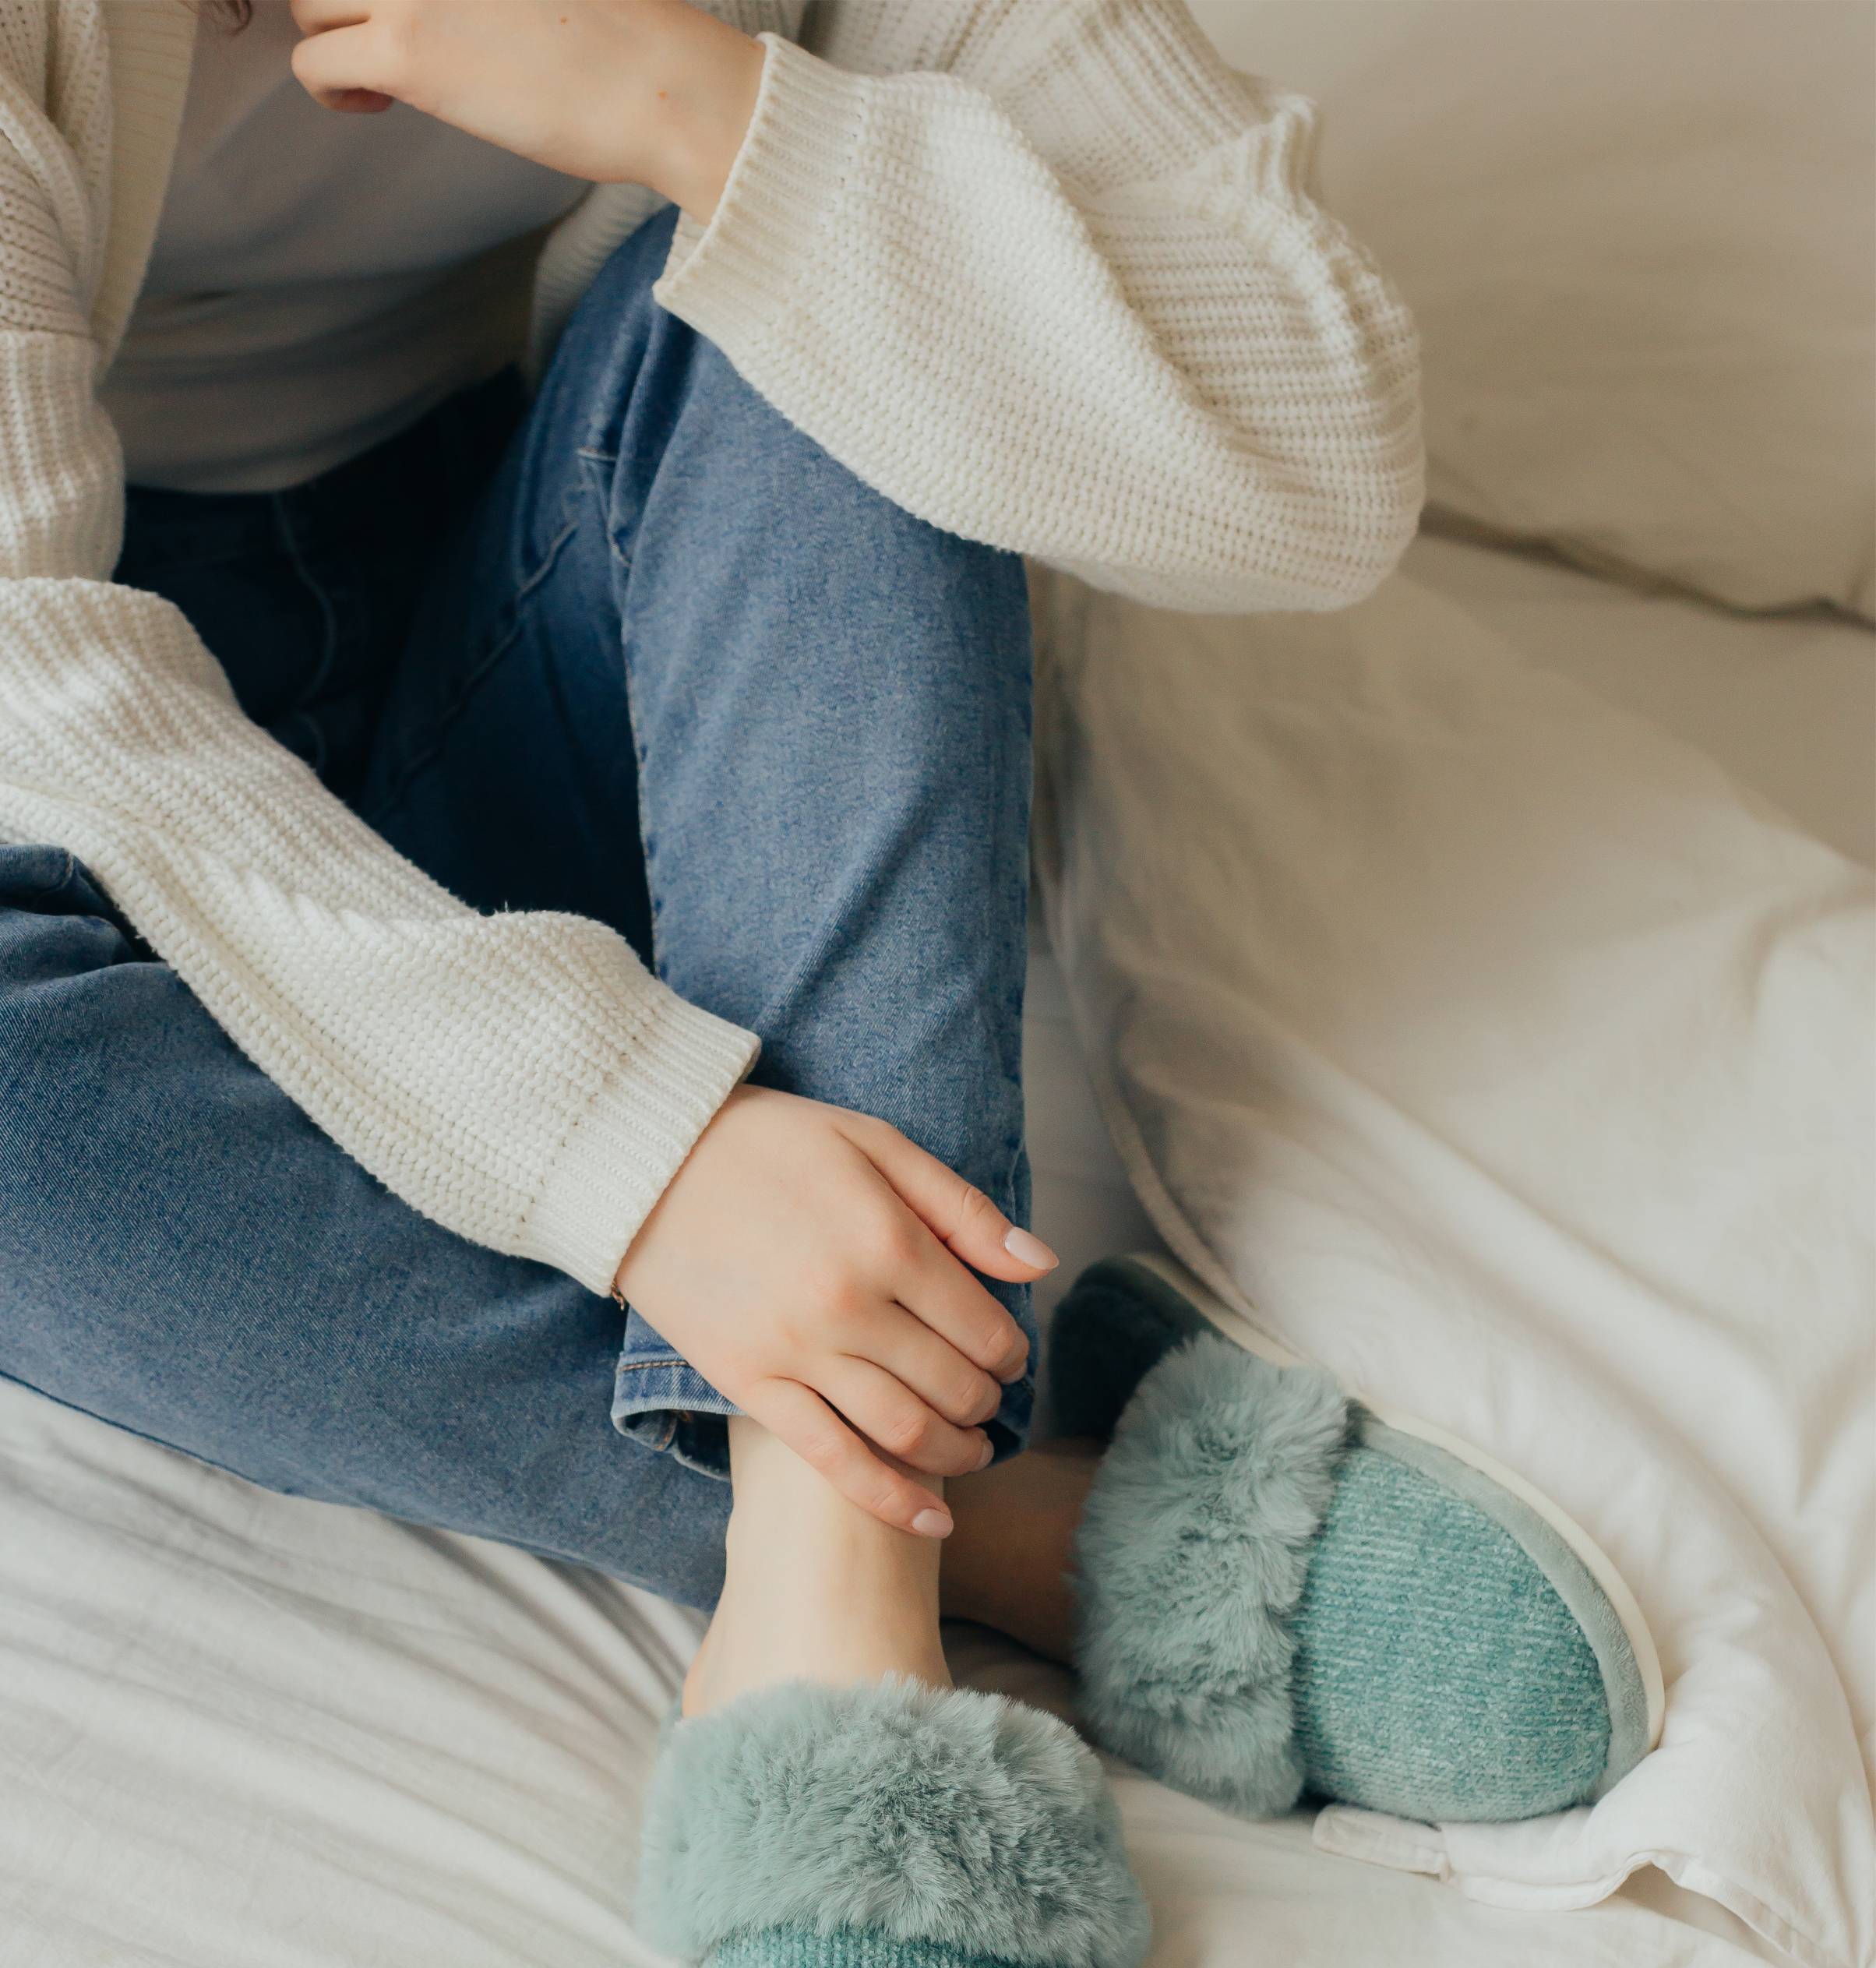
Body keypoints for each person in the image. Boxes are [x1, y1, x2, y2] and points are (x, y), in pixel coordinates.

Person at [0, 0, 1423, 1717]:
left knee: (817, 273)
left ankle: (841, 1597)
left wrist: (706, 110)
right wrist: (639, 1146)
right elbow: (36, 675)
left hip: (547, 641)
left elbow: (1332, 456)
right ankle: (968, 1519)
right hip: (86, 801)